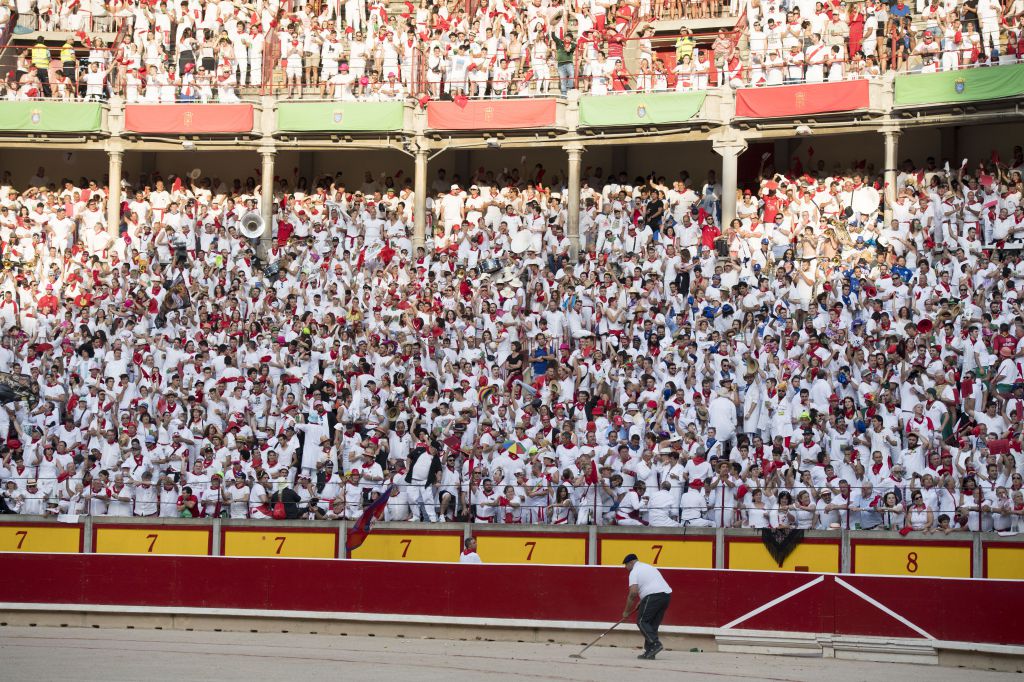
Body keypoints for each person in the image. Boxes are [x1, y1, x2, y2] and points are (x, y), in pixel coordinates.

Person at [622, 553, 673, 660]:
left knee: (642, 621)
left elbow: (633, 593)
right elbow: (652, 584)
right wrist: (643, 600)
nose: (625, 567)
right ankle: (650, 652)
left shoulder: (634, 572)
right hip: (666, 596)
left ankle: (655, 644)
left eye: (626, 565)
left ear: (631, 563)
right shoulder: (648, 567)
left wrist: (626, 612)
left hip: (653, 596)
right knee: (652, 624)